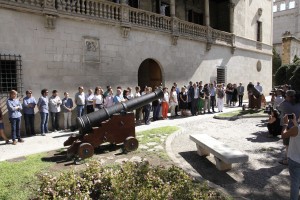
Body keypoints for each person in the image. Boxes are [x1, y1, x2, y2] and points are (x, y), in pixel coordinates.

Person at [281, 113, 300, 200]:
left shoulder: (296, 129)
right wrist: (295, 122)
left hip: (295, 160)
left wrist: (285, 124)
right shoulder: (296, 128)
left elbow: (284, 135)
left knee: (295, 183)